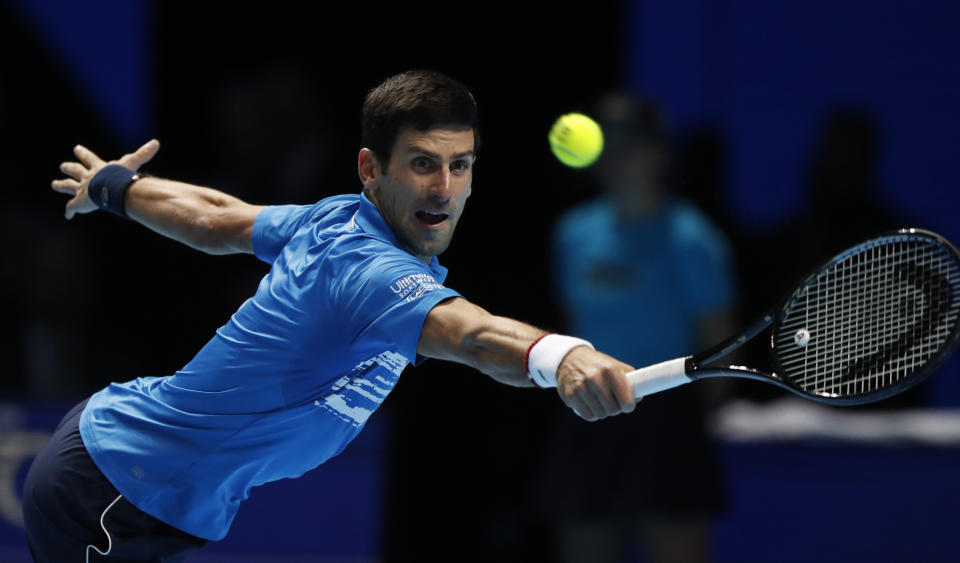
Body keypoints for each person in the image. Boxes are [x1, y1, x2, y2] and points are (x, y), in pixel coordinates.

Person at [24, 70, 639, 562]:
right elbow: (474, 336)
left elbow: (216, 218)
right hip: (108, 491)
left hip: (146, 492)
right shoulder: (367, 271)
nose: (444, 189)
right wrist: (565, 356)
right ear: (372, 169)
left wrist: (115, 187)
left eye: (461, 164)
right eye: (423, 163)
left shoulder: (332, 220)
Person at [539, 92, 736, 563]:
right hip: (589, 409)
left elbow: (719, 346)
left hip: (669, 420)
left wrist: (696, 420)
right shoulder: (572, 234)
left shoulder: (694, 239)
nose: (616, 158)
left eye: (630, 144)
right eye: (609, 145)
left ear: (658, 154)